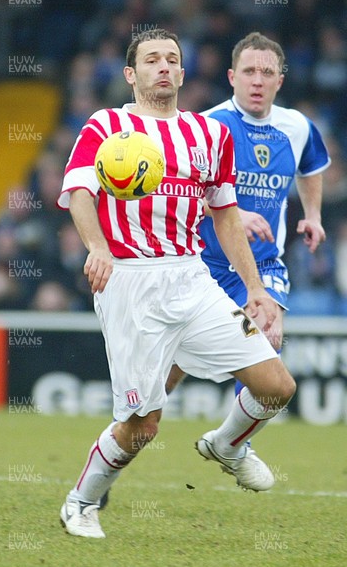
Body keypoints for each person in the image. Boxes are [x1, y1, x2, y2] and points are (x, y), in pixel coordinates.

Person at [57, 29, 296, 539]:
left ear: (183, 74)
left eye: (172, 60)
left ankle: (228, 445)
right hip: (130, 281)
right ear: (131, 73)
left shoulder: (208, 136)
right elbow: (79, 192)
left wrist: (255, 288)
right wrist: (98, 248)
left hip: (192, 276)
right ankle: (81, 501)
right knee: (142, 426)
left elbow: (227, 216)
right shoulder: (108, 126)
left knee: (277, 386)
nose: (163, 67)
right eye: (151, 60)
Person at [166, 31, 330, 398]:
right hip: (203, 266)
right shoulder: (206, 128)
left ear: (280, 80)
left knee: (266, 336)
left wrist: (314, 214)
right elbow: (181, 195)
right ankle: (125, 431)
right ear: (231, 77)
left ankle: (235, 446)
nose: (258, 80)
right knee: (168, 375)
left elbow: (311, 166)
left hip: (262, 266)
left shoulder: (297, 127)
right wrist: (232, 213)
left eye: (267, 73)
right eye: (249, 71)